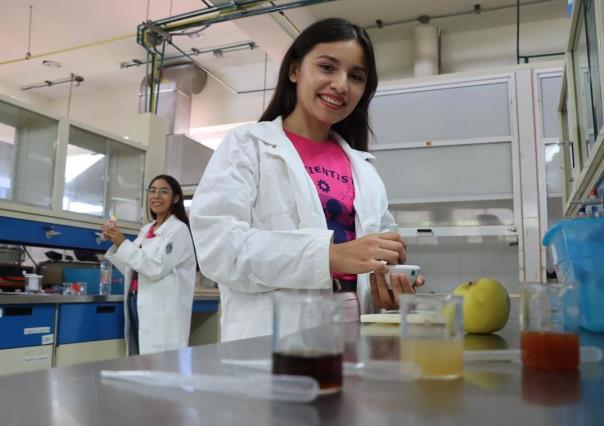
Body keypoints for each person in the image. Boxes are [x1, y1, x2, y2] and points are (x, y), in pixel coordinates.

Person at [190, 18, 424, 342]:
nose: (342, 85)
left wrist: (388, 288)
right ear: (295, 70)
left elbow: (376, 257)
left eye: (356, 77)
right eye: (328, 67)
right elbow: (219, 249)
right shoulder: (249, 145)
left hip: (357, 334)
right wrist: (328, 256)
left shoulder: (365, 169)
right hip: (272, 338)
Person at [102, 175, 196, 355]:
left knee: (161, 361)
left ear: (176, 198)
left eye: (164, 191)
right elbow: (131, 267)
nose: (156, 196)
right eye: (152, 191)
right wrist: (116, 243)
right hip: (136, 301)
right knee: (141, 359)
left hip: (162, 309)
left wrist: (123, 243)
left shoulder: (178, 230)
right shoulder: (147, 230)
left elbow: (156, 268)